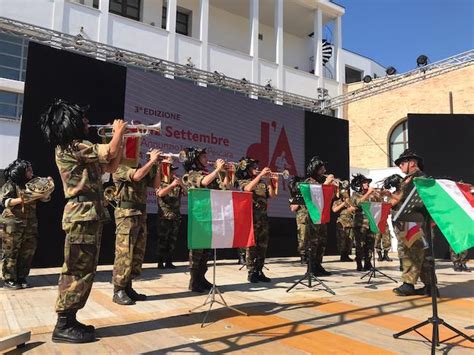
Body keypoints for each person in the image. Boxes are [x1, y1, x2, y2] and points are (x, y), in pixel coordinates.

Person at [40, 99, 126, 343]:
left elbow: (110, 164)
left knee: (85, 270)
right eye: (83, 119)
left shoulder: (81, 149)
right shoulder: (71, 146)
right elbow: (107, 151)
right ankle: (64, 323)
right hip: (82, 213)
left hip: (90, 213)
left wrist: (121, 141)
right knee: (77, 269)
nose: (88, 122)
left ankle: (71, 318)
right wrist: (118, 132)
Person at [111, 149, 162, 305]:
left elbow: (156, 185)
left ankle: (128, 287)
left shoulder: (140, 166)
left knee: (137, 253)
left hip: (140, 213)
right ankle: (118, 290)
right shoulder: (119, 166)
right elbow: (137, 176)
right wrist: (152, 161)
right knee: (124, 252)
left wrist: (157, 166)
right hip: (126, 213)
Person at [181, 147, 229, 293]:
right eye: (203, 157)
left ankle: (201, 277)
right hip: (199, 216)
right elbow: (204, 182)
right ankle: (194, 281)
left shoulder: (209, 173)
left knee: (207, 250)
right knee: (197, 250)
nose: (206, 159)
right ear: (195, 159)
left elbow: (225, 186)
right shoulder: (191, 174)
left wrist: (224, 172)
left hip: (210, 215)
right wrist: (217, 170)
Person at [0, 160, 53, 289]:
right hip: (12, 223)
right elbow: (4, 201)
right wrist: (23, 199)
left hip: (30, 222)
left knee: (28, 250)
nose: (31, 172)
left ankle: (22, 276)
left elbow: (45, 198)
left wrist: (48, 188)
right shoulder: (11, 184)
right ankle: (9, 278)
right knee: (11, 251)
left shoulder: (34, 183)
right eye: (28, 170)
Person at [390, 149, 436, 297]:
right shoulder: (408, 180)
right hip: (409, 222)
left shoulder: (420, 178)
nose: (400, 167)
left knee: (411, 253)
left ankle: (408, 284)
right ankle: (430, 287)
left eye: (402, 163)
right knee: (421, 254)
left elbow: (429, 201)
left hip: (415, 223)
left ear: (412, 163)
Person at [236, 157, 276, 283]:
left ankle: (259, 270)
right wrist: (260, 176)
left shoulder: (262, 183)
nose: (256, 169)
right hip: (251, 218)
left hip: (263, 219)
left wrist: (269, 180)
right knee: (251, 247)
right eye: (253, 167)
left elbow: (272, 195)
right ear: (247, 169)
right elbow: (247, 189)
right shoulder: (242, 181)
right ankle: (251, 272)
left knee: (262, 246)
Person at [300, 156, 335, 276]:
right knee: (313, 242)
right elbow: (316, 196)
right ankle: (311, 267)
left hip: (321, 217)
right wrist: (326, 184)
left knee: (322, 241)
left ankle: (318, 264)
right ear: (315, 169)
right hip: (312, 218)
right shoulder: (309, 181)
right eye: (322, 169)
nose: (324, 172)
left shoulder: (320, 183)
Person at [156, 159, 186, 269]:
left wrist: (181, 184)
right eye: (172, 171)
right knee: (162, 240)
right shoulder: (161, 182)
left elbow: (187, 193)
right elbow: (160, 193)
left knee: (172, 240)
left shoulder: (177, 184)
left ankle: (169, 261)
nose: (173, 173)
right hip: (164, 217)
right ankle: (160, 262)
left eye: (174, 171)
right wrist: (172, 185)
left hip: (175, 216)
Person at [350, 174, 376, 271]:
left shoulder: (372, 194)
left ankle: (368, 263)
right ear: (359, 184)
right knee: (360, 244)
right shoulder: (355, 194)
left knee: (370, 244)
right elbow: (359, 203)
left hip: (370, 222)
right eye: (365, 182)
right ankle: (359, 263)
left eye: (368, 182)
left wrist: (379, 195)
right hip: (360, 223)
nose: (367, 184)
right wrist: (368, 193)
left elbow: (378, 203)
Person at [331, 180, 355, 262]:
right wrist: (343, 203)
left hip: (350, 222)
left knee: (350, 240)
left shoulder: (350, 200)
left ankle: (347, 255)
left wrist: (348, 203)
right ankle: (342, 255)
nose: (345, 192)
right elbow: (334, 210)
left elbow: (354, 209)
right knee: (342, 240)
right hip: (342, 223)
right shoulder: (337, 201)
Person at [288, 176, 307, 265]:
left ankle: (309, 256)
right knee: (302, 238)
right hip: (301, 220)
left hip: (310, 219)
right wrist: (300, 199)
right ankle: (303, 256)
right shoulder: (295, 196)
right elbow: (293, 208)